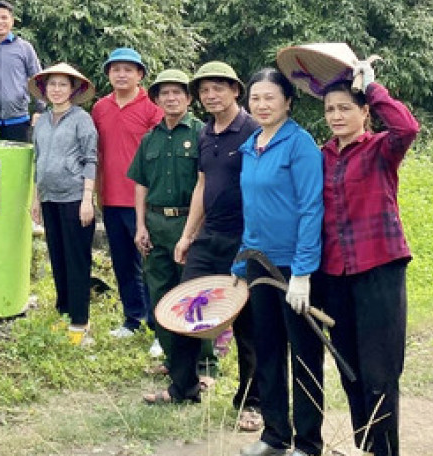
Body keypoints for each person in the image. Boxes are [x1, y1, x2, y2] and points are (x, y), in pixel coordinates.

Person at [152, 62, 262, 427]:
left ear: (235, 90)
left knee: (248, 321)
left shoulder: (253, 130)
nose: (211, 96)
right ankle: (183, 387)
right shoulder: (207, 134)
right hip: (208, 235)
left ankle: (252, 402)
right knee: (186, 309)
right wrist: (187, 235)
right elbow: (202, 185)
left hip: (246, 239)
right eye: (204, 90)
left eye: (218, 88)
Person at [319, 67, 419, 456]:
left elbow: (407, 128)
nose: (337, 116)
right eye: (330, 109)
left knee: (381, 372)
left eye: (346, 107)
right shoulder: (321, 156)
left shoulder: (381, 148)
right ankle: (365, 446)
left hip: (379, 267)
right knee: (351, 370)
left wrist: (372, 86)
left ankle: (384, 451)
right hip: (335, 273)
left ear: (365, 113)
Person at [232, 68, 324, 456]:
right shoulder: (251, 144)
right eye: (256, 98)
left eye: (270, 97)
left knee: (304, 355)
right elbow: (251, 211)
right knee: (266, 348)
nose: (262, 105)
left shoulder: (299, 144)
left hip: (293, 267)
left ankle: (308, 442)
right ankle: (274, 435)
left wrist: (303, 272)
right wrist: (240, 266)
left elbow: (310, 208)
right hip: (258, 265)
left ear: (288, 101)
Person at [128, 69, 203, 379]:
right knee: (160, 291)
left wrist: (197, 228)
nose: (171, 98)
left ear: (188, 98)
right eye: (165, 94)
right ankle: (173, 359)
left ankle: (203, 363)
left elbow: (206, 183)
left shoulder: (202, 133)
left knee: (194, 294)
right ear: (156, 100)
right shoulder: (150, 138)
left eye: (178, 93)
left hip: (190, 222)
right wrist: (140, 225)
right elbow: (141, 185)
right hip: (157, 223)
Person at [90, 48, 164, 338]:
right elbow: (95, 151)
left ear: (140, 75)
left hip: (142, 201)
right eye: (116, 69)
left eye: (128, 69)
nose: (121, 74)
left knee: (151, 265)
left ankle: (158, 326)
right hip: (110, 197)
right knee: (122, 263)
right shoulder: (100, 108)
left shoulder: (152, 110)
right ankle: (132, 319)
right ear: (108, 74)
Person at [29, 63, 98, 345]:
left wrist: (87, 200)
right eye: (52, 85)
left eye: (62, 85)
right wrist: (36, 198)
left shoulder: (82, 119)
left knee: (76, 260)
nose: (56, 90)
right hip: (49, 198)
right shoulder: (42, 120)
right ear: (44, 91)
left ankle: (80, 321)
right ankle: (64, 312)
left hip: (74, 198)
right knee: (57, 258)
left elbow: (91, 159)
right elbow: (38, 159)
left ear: (73, 89)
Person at [0, 0, 42, 142]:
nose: (0, 22)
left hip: (18, 120)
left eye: (4, 18)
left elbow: (38, 79)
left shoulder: (24, 48)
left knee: (16, 163)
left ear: (12, 21)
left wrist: (39, 109)